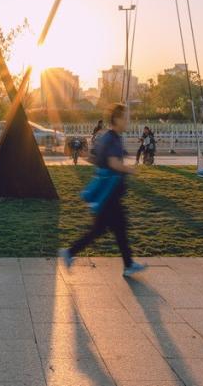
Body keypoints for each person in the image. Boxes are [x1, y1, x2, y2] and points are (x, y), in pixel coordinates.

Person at [60, 104, 146, 277]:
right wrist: (130, 170)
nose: (127, 121)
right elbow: (113, 163)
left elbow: (96, 159)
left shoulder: (107, 137)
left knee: (108, 228)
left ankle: (71, 252)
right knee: (113, 228)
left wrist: (87, 157)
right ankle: (127, 264)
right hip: (109, 193)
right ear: (117, 119)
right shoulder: (113, 139)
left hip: (109, 193)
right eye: (125, 118)